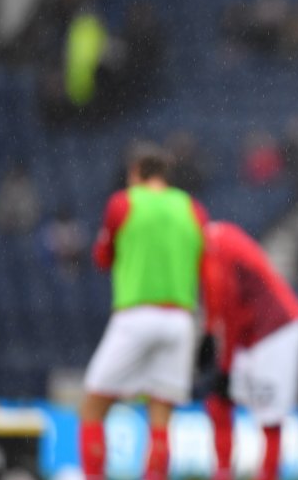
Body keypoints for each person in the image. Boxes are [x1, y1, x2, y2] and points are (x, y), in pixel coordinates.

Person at [80, 143, 208, 480]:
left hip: (136, 314)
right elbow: (203, 259)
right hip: (181, 319)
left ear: (135, 173)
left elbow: (101, 258)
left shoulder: (123, 202)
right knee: (161, 415)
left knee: (93, 406)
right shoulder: (191, 208)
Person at [200, 221, 298, 480]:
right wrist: (208, 330)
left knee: (269, 417)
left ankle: (266, 475)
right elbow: (222, 300)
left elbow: (231, 306)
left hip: (277, 331)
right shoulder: (217, 237)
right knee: (218, 403)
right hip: (252, 333)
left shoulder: (216, 248)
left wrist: (225, 366)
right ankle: (223, 472)